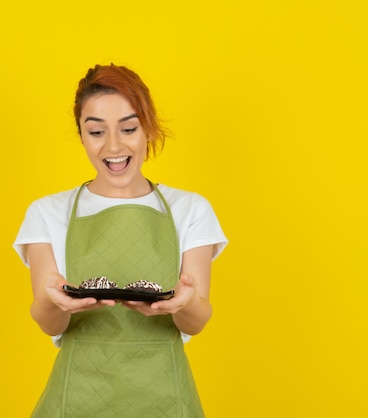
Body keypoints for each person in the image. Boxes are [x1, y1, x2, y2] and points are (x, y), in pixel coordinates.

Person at [14, 63, 227, 417]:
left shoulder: (190, 209)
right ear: (81, 135)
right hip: (79, 396)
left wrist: (182, 303)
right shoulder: (48, 212)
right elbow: (49, 322)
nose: (114, 146)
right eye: (96, 132)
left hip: (165, 397)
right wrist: (57, 303)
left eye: (128, 128)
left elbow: (197, 320)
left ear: (147, 128)